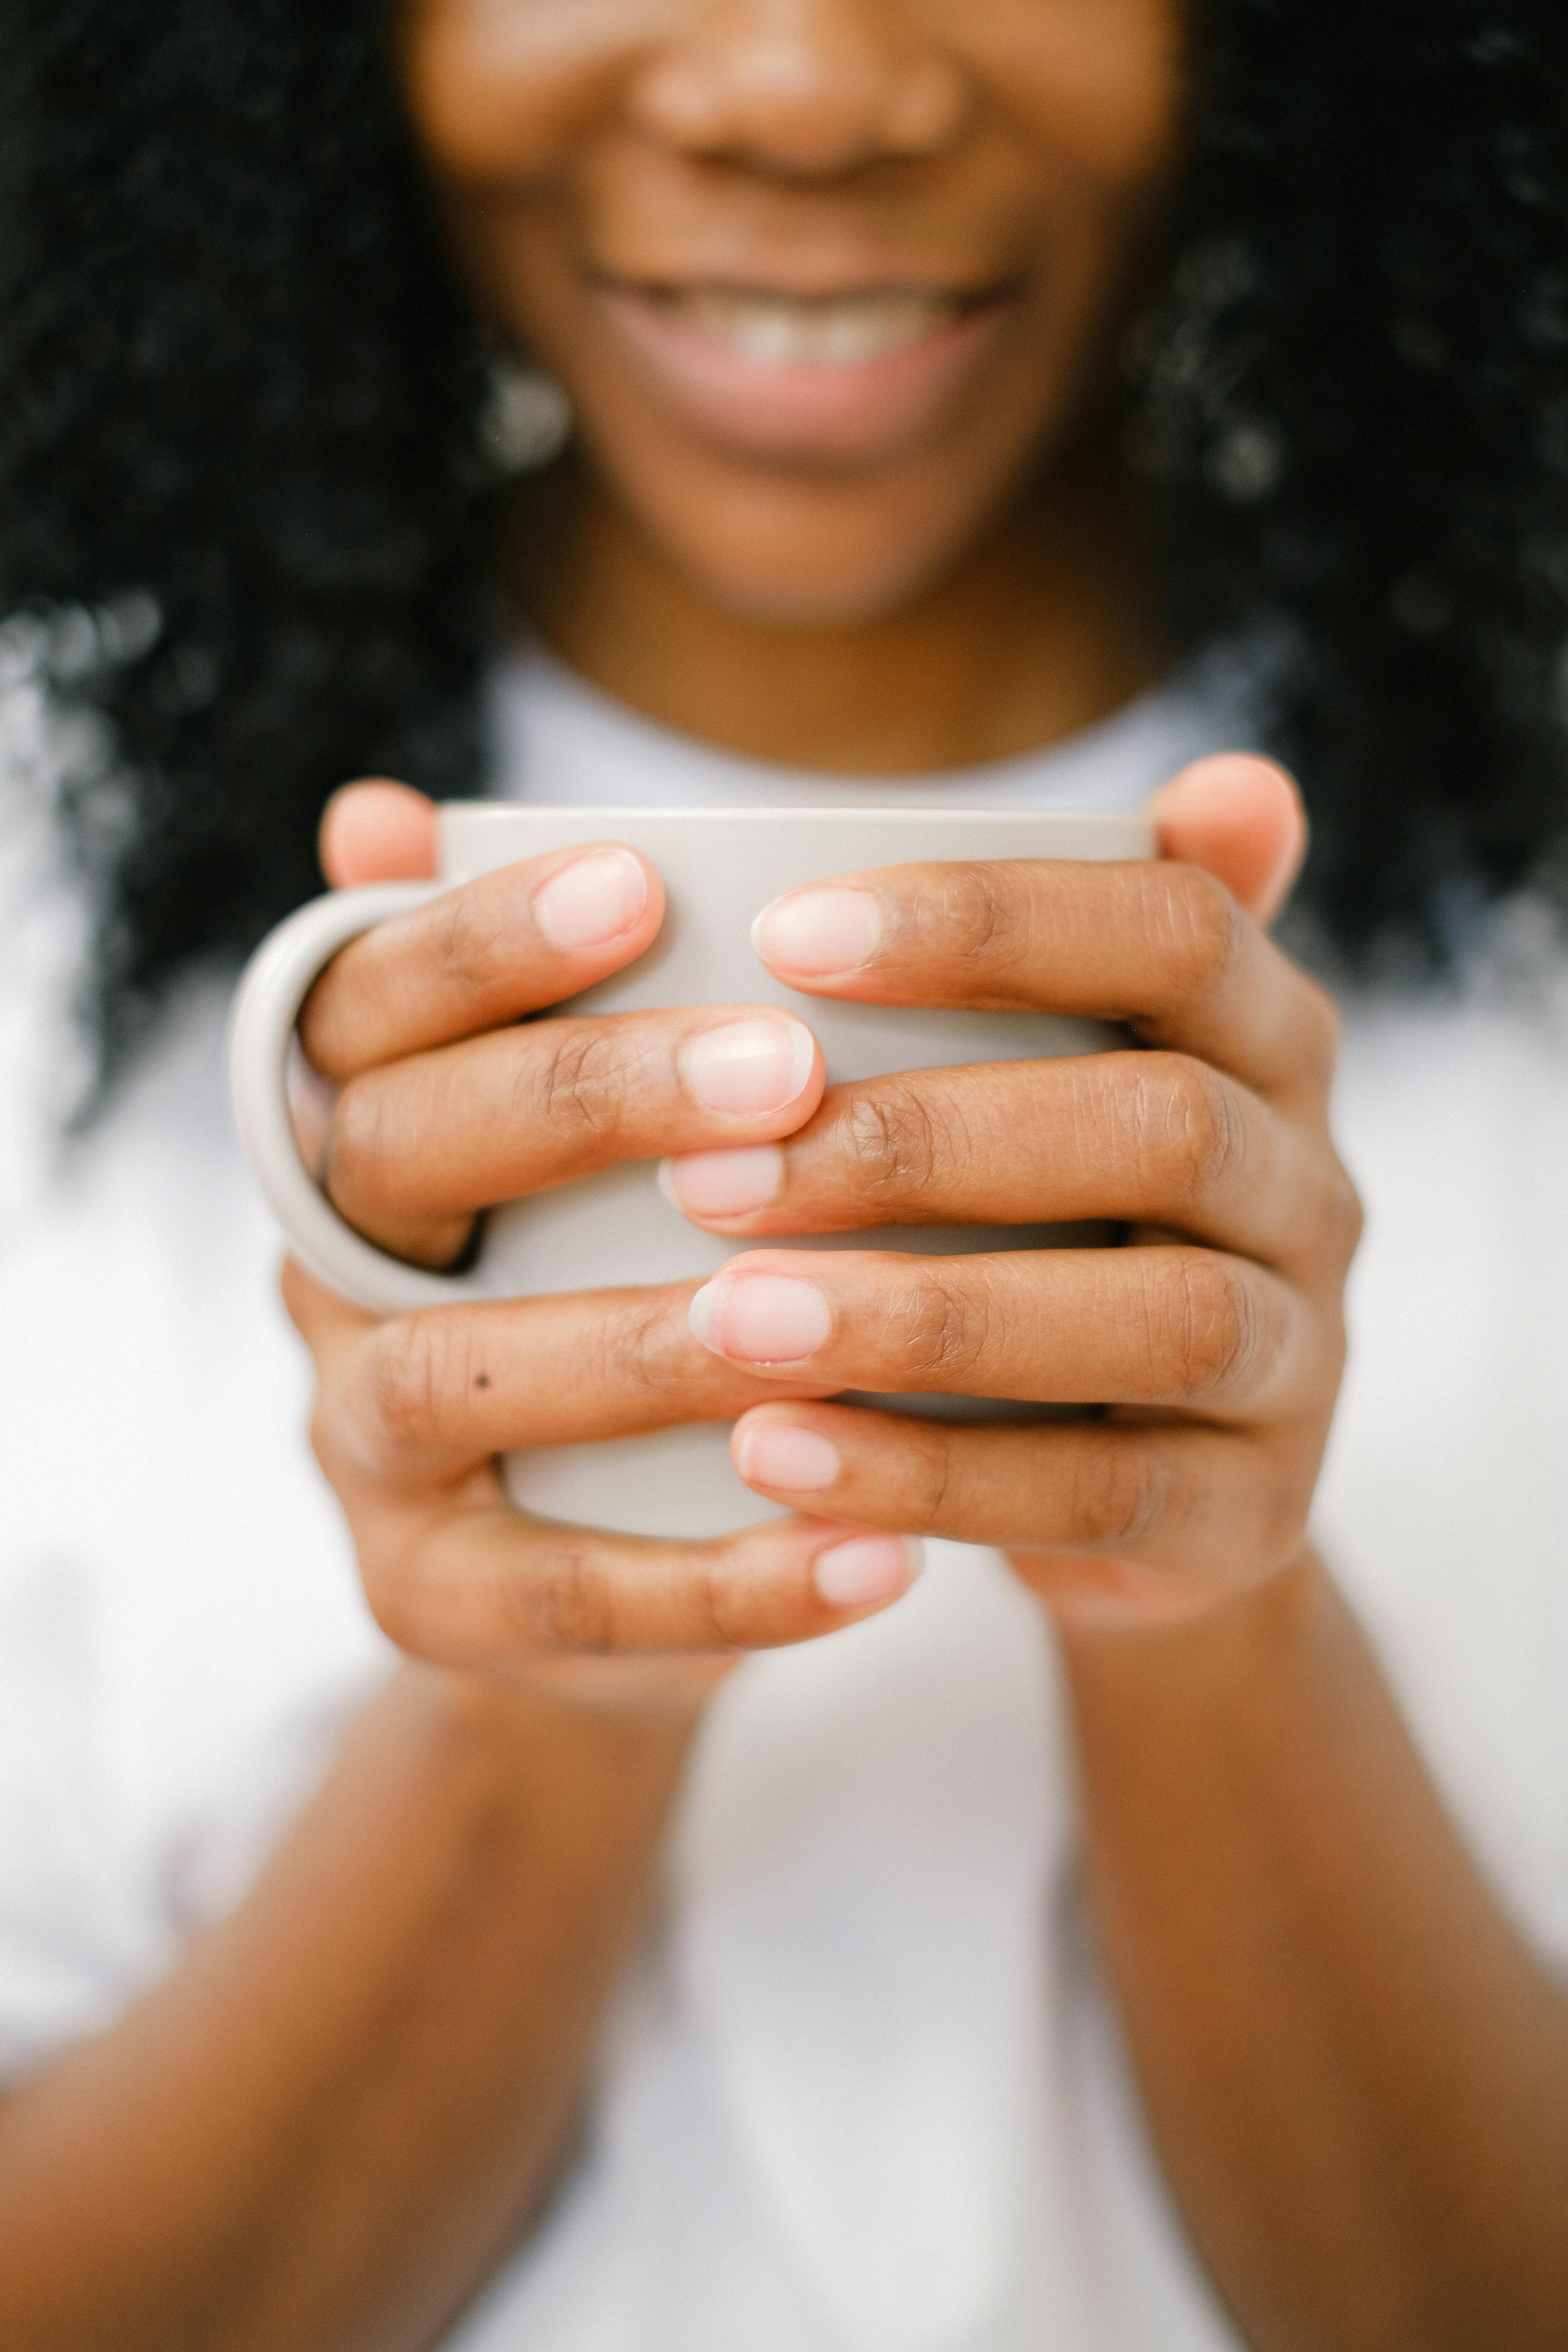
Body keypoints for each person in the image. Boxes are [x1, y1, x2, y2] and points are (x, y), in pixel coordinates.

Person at [1, 3, 1566, 2348]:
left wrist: (1209, 1615)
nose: (803, 90)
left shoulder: (1513, 869)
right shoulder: (45, 865)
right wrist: (562, 1664)